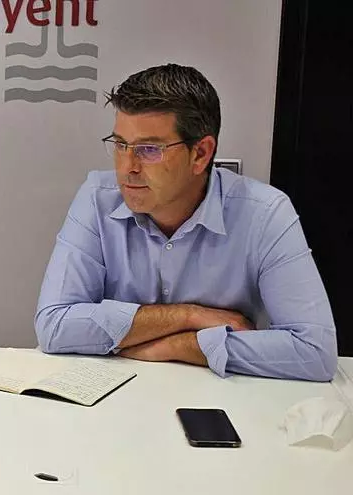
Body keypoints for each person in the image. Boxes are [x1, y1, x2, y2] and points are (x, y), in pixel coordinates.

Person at [35, 64, 337, 381]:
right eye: (121, 145)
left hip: (225, 397)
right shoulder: (97, 197)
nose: (128, 167)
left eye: (149, 149)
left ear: (201, 154)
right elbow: (54, 326)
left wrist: (182, 346)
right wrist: (189, 316)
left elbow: (314, 352)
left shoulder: (265, 213)